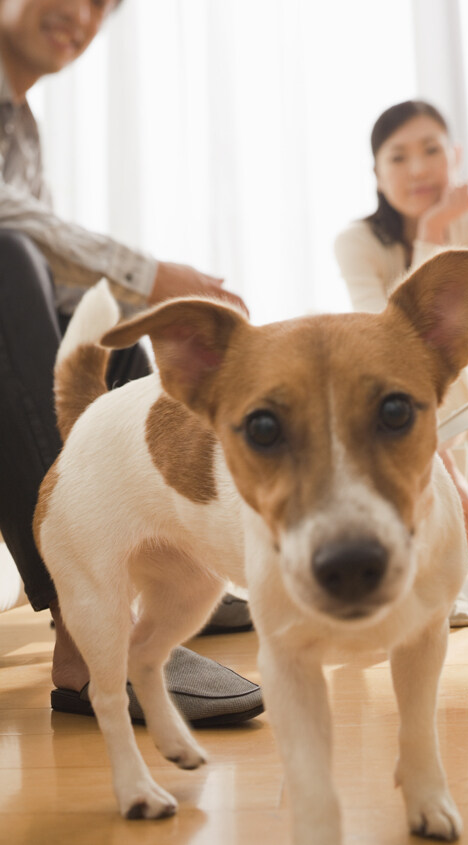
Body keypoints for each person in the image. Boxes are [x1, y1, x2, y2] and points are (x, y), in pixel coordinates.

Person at [0, 0, 261, 724]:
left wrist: (131, 297)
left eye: (101, 7)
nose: (81, 15)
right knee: (6, 263)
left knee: (102, 331)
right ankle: (88, 637)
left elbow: (53, 272)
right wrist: (145, 272)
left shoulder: (21, 125)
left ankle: (173, 559)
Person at [334, 99, 468, 627]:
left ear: (454, 154)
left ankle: (440, 582)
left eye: (431, 150)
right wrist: (448, 468)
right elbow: (381, 334)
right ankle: (422, 566)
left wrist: (435, 229)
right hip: (382, 371)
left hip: (458, 368)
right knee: (398, 386)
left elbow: (439, 330)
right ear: (376, 173)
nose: (417, 169)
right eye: (399, 157)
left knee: (447, 377)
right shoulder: (355, 241)